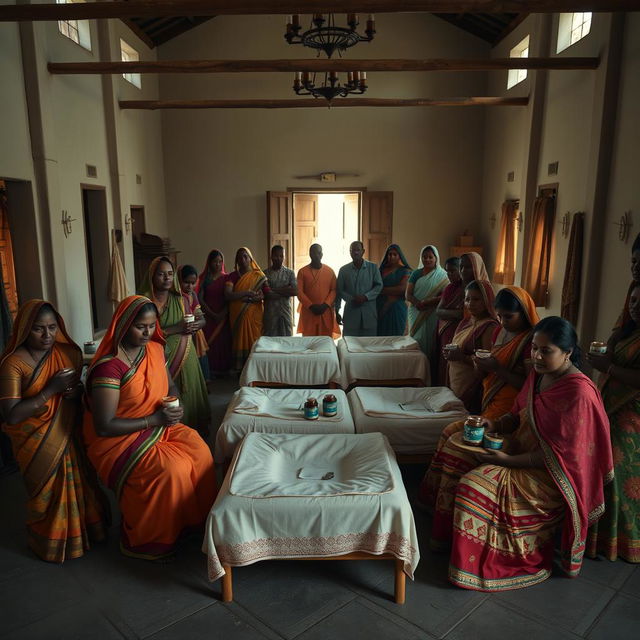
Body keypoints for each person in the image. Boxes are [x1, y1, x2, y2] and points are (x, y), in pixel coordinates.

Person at [424, 316, 613, 591]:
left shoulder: (578, 393)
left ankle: (473, 567)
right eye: (534, 348)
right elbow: (516, 415)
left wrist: (509, 462)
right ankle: (445, 539)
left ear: (568, 353)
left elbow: (560, 457)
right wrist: (495, 424)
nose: (536, 356)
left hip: (549, 475)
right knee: (456, 447)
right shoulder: (539, 375)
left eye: (545, 351)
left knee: (472, 486)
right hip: (520, 449)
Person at [82, 295, 216, 560]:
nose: (147, 332)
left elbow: (171, 386)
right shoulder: (109, 368)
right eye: (140, 326)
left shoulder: (154, 350)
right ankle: (153, 538)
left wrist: (175, 406)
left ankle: (190, 523)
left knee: (201, 452)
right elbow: (105, 425)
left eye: (152, 325)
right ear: (123, 325)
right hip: (121, 438)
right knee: (173, 469)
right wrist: (153, 421)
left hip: (159, 424)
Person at [0, 300, 107, 562]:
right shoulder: (13, 364)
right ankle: (50, 540)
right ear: (25, 329)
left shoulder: (67, 353)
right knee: (47, 493)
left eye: (52, 327)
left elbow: (78, 395)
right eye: (39, 329)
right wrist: (51, 389)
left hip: (68, 430)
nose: (47, 336)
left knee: (80, 482)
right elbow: (11, 414)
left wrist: (74, 393)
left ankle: (86, 533)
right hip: (35, 442)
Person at [422, 286, 539, 474]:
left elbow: (531, 386)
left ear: (524, 313)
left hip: (512, 409)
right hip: (490, 399)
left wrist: (497, 369)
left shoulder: (530, 342)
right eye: (500, 316)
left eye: (509, 317)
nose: (503, 322)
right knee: (448, 434)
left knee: (462, 448)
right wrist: (479, 365)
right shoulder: (498, 332)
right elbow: (483, 375)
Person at [587, 282, 640, 563]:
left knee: (618, 473)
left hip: (631, 414)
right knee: (601, 467)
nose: (634, 306)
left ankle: (622, 540)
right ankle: (597, 537)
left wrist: (607, 367)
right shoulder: (628, 331)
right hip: (610, 405)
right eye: (632, 300)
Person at [138, 257, 210, 437]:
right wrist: (176, 328)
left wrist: (195, 325)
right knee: (163, 395)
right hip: (155, 357)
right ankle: (168, 434)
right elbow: (141, 331)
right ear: (152, 276)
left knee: (189, 393)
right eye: (161, 274)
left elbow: (201, 318)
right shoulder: (143, 301)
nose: (166, 278)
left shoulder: (182, 300)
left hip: (185, 355)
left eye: (170, 274)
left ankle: (191, 432)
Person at [443, 280, 499, 413]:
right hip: (457, 380)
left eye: (476, 299)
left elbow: (487, 365)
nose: (470, 303)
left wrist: (461, 357)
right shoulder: (466, 321)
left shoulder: (490, 326)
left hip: (472, 386)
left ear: (487, 301)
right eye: (467, 299)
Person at [225, 247, 270, 369]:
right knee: (239, 340)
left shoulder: (258, 275)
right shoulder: (233, 276)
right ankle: (241, 369)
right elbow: (228, 295)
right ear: (236, 261)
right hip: (237, 315)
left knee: (255, 340)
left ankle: (257, 368)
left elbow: (266, 293)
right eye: (239, 257)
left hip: (255, 315)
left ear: (251, 259)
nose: (243, 260)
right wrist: (247, 293)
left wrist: (253, 299)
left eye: (245, 256)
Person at [406, 245, 449, 365]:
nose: (427, 260)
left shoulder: (443, 276)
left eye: (430, 257)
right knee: (416, 340)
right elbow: (408, 295)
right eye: (424, 257)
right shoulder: (416, 274)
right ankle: (414, 367)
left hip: (433, 312)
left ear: (436, 258)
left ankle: (429, 368)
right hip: (416, 311)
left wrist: (429, 302)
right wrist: (417, 303)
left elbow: (446, 295)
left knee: (431, 341)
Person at [335, 241, 383, 337]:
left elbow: (379, 286)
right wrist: (337, 311)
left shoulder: (373, 268)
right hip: (351, 314)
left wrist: (366, 297)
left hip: (369, 314)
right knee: (349, 345)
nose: (355, 252)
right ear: (350, 252)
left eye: (358, 250)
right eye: (353, 250)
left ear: (363, 251)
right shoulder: (343, 270)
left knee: (369, 345)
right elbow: (339, 291)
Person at [196, 249, 232, 376]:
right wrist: (212, 314)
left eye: (220, 261)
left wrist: (222, 314)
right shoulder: (203, 279)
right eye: (215, 261)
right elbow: (199, 298)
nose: (218, 264)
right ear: (209, 262)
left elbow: (229, 298)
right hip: (208, 315)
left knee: (223, 342)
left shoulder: (227, 278)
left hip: (223, 316)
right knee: (209, 342)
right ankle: (210, 371)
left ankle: (224, 370)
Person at [296, 244, 341, 338]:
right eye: (314, 253)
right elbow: (299, 292)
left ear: (322, 254)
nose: (317, 255)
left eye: (319, 253)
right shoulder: (302, 272)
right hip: (309, 311)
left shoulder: (330, 271)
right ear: (310, 254)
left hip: (325, 311)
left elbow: (334, 290)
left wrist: (325, 305)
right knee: (309, 342)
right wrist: (311, 306)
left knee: (325, 341)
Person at [435, 257, 465, 385]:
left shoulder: (469, 289)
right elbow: (438, 311)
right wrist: (457, 313)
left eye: (453, 271)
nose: (449, 275)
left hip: (461, 331)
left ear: (460, 269)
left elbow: (464, 315)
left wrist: (449, 313)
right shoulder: (449, 288)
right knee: (444, 362)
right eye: (447, 271)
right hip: (446, 330)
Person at [178, 264, 210, 382]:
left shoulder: (193, 295)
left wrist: (199, 323)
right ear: (179, 280)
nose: (190, 286)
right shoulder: (174, 297)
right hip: (179, 332)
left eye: (193, 283)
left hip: (194, 332)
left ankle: (203, 381)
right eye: (186, 282)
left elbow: (201, 317)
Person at [377, 244, 412, 336]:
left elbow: (402, 289)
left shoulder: (405, 271)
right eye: (389, 254)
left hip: (397, 307)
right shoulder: (381, 270)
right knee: (381, 336)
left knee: (396, 337)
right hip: (381, 306)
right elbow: (375, 285)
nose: (391, 257)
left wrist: (381, 290)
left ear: (399, 256)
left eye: (394, 254)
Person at [263, 245, 297, 337]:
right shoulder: (265, 274)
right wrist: (285, 290)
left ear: (284, 257)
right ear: (271, 256)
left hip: (285, 312)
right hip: (270, 314)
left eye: (281, 256)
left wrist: (273, 289)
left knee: (287, 340)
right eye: (276, 256)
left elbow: (294, 291)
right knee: (270, 341)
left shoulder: (290, 273)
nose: (278, 258)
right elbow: (267, 294)